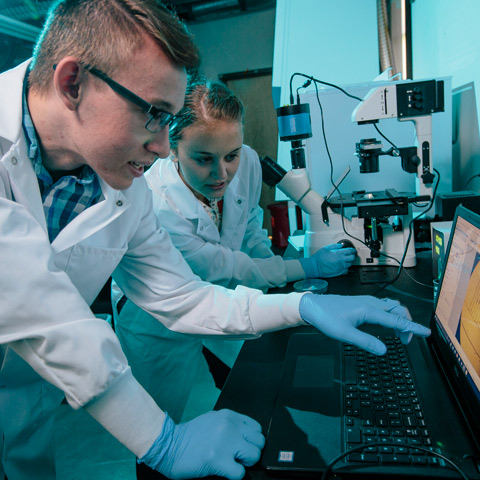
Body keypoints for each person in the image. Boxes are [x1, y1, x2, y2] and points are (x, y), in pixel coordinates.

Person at [0, 1, 430, 479]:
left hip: (25, 389)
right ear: (72, 83)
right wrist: (162, 442)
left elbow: (182, 295)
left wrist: (301, 306)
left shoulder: (121, 185)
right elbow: (44, 309)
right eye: (153, 115)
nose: (164, 148)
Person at [113, 77, 357, 435]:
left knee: (252, 389)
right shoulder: (157, 203)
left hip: (225, 297)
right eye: (203, 159)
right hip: (156, 319)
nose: (221, 173)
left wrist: (282, 282)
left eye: (231, 155)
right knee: (159, 428)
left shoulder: (250, 164)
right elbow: (225, 265)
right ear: (172, 148)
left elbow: (249, 232)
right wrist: (302, 266)